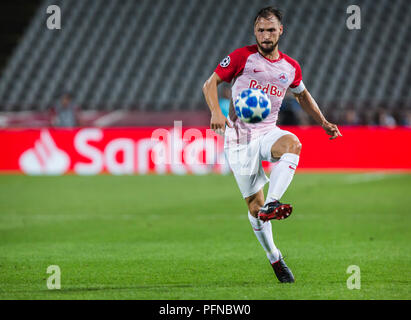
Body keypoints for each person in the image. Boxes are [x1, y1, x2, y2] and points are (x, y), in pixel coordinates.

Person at [202, 7, 341, 283]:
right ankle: (274, 256)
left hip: (267, 132)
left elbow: (303, 97)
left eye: (271, 29)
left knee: (293, 143)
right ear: (255, 32)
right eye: (261, 30)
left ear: (281, 31)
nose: (266, 35)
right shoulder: (242, 57)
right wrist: (217, 112)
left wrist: (324, 122)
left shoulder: (290, 67)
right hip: (239, 139)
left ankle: (274, 202)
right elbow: (210, 84)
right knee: (255, 209)